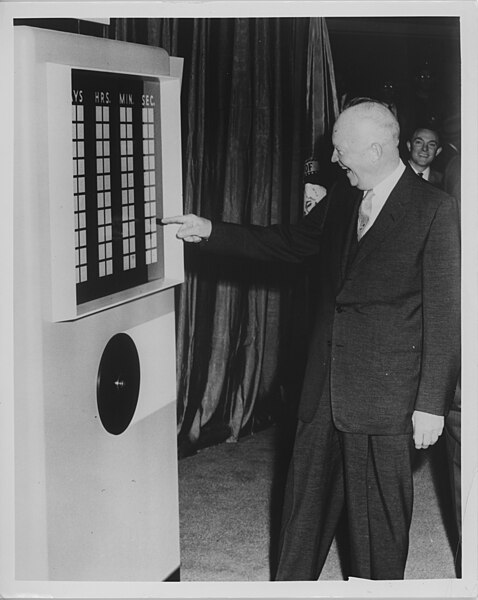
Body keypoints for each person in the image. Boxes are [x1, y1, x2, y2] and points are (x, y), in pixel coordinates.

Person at [162, 100, 461, 580]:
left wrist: (431, 404)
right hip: (322, 384)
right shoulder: (344, 196)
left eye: (342, 151)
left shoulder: (435, 211)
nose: (336, 160)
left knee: (377, 522)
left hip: (386, 394)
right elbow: (290, 243)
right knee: (303, 510)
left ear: (377, 148)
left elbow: (447, 315)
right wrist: (211, 231)